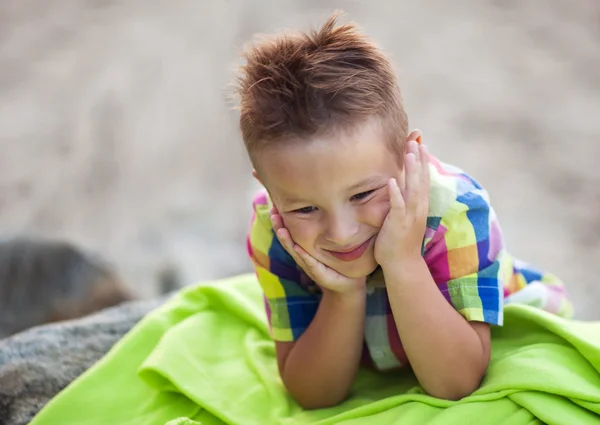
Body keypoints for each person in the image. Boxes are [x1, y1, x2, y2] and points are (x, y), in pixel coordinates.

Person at [235, 12, 572, 409]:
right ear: (268, 188)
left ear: (408, 155)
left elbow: (457, 383)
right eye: (306, 208)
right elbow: (312, 395)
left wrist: (403, 262)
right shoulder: (275, 232)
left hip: (486, 334)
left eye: (362, 195)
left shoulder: (455, 212)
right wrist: (343, 294)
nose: (341, 233)